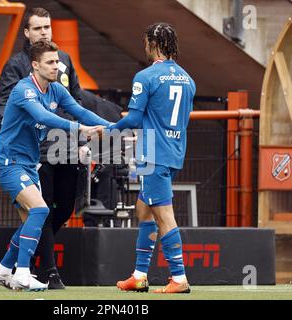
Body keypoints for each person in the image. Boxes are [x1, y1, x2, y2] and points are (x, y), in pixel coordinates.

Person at [0, 40, 109, 291]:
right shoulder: (25, 90)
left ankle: (2, 270)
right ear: (35, 65)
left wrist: (114, 127)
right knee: (41, 211)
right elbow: (44, 117)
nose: (57, 67)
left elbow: (80, 111)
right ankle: (22, 273)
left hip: (28, 163)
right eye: (51, 62)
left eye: (58, 61)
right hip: (7, 160)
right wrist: (80, 129)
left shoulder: (56, 89)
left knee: (28, 220)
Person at [107, 22, 196, 294]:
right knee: (143, 209)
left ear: (152, 44)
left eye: (145, 42)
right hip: (174, 152)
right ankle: (139, 275)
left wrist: (109, 130)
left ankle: (179, 278)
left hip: (153, 154)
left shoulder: (145, 77)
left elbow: (133, 118)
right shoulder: (187, 79)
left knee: (164, 215)